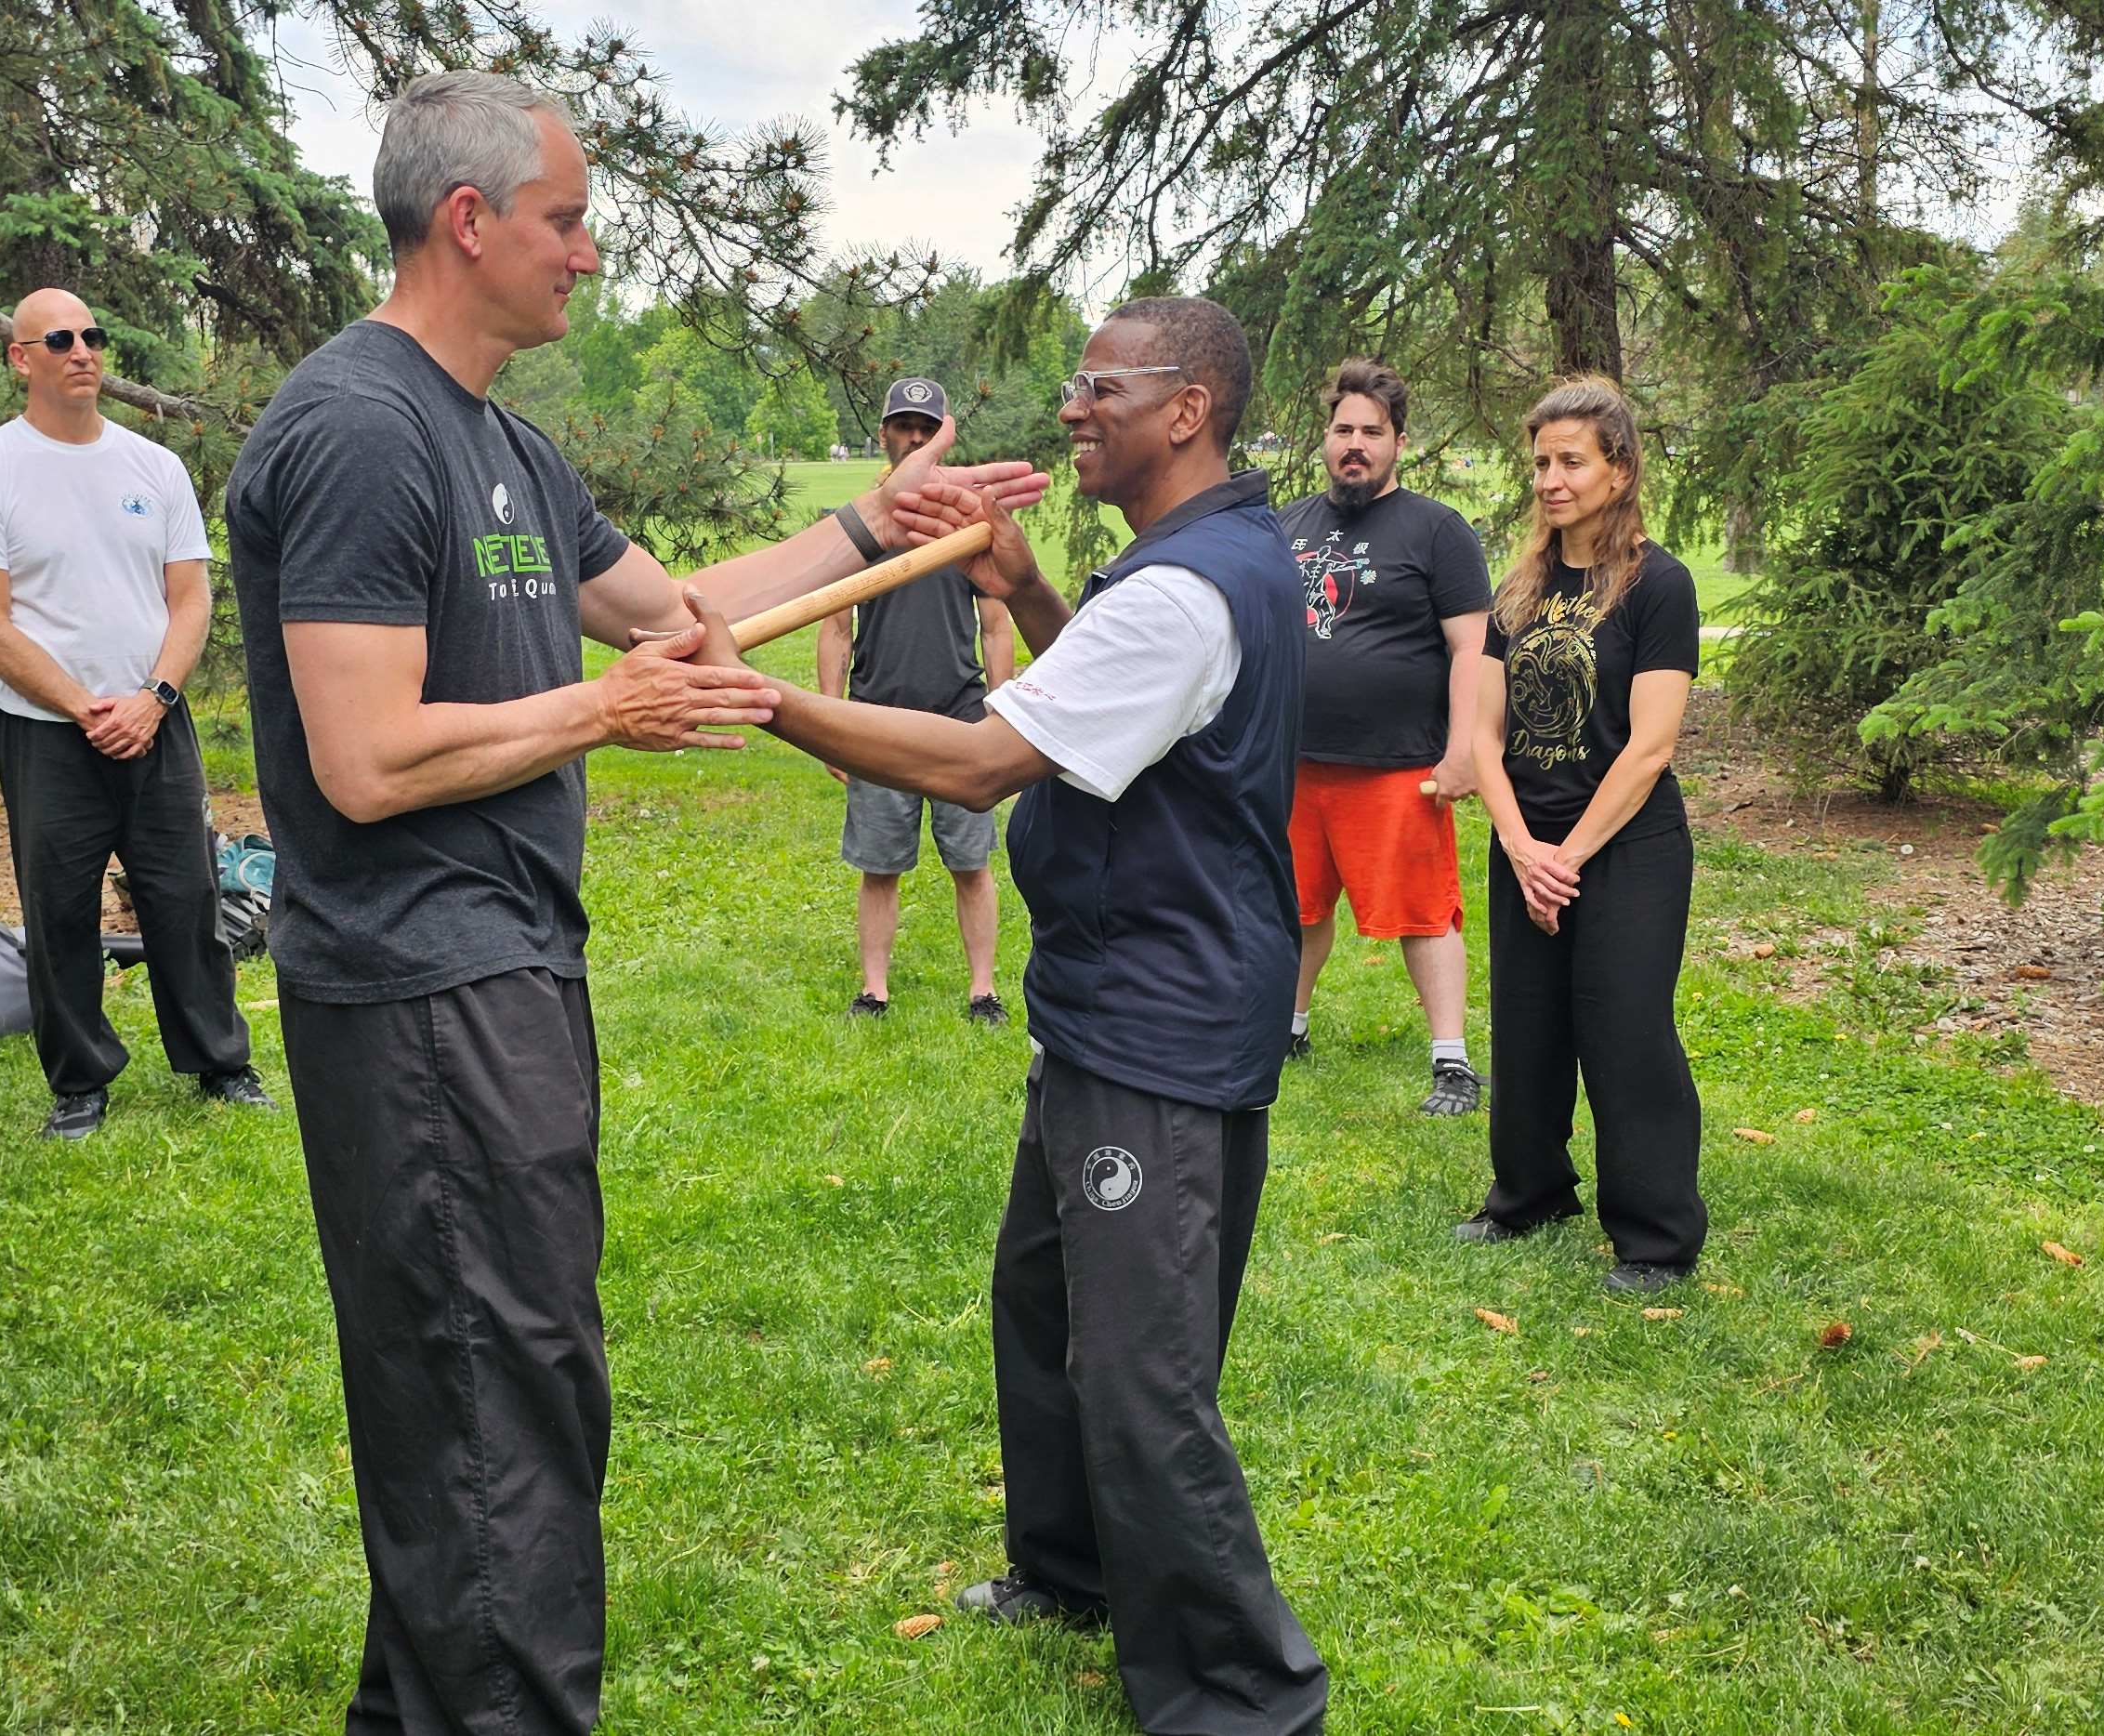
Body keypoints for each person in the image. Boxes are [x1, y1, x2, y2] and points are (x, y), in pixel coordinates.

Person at [219, 71, 1044, 1736]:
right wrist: (604, 710)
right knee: (489, 1392)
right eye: (568, 220)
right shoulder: (361, 431)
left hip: (508, 967)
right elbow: (366, 757)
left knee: (511, 1384)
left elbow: (674, 610)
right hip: (417, 983)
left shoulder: (500, 441)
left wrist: (870, 521)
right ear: (471, 223)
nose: (590, 255)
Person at [677, 296, 1327, 1736]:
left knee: (1144, 1371)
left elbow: (982, 764)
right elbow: (1115, 710)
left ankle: (1242, 1693)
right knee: (1043, 1305)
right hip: (1114, 1006)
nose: (1075, 407)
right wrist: (1032, 586)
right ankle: (1071, 1567)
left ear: (1189, 410)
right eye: (1075, 383)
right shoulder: (1204, 564)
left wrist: (767, 703)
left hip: (1155, 1028)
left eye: (1104, 386)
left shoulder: (1183, 589)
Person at [0, 287, 269, 1139]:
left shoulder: (151, 467)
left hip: (155, 722)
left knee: (186, 899)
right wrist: (85, 706)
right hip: (50, 734)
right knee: (58, 910)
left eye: (94, 334)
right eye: (60, 338)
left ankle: (219, 1062)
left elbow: (191, 600)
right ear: (21, 357)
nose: (83, 350)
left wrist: (153, 698)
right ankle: (80, 1083)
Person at [1454, 377, 1704, 1295]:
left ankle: (1655, 1237)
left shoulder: (1658, 585)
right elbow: (1482, 734)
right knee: (1526, 1028)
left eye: (1570, 461)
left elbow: (1650, 747)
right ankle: (1528, 1196)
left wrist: (1566, 855)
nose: (1551, 479)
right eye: (1540, 463)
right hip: (1529, 843)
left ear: (1619, 468)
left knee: (1623, 1030)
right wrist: (1522, 847)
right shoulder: (1516, 587)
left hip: (1627, 847)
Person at [1278, 357, 1491, 1112]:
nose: (1356, 444)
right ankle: (1287, 1031)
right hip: (1293, 763)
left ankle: (1453, 1063)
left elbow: (1472, 648)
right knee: (1293, 908)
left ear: (1400, 441)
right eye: (1343, 429)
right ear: (1325, 438)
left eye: (1373, 431)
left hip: (1399, 767)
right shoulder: (1290, 524)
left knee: (1424, 914)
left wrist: (1463, 747)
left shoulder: (1438, 531)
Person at [814, 375, 1014, 1022]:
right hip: (876, 717)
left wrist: (1004, 715)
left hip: (959, 716)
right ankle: (873, 991)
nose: (917, 437)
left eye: (928, 428)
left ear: (943, 436)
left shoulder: (968, 521)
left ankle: (983, 991)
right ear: (885, 435)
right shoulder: (861, 527)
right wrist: (830, 719)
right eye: (905, 426)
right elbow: (835, 626)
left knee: (970, 863)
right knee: (879, 866)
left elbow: (996, 624)